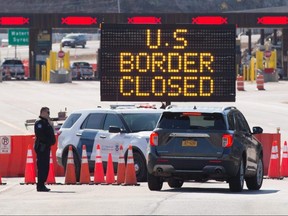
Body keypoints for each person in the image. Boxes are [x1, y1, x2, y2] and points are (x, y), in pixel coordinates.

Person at [34, 107, 56, 192]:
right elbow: (40, 135)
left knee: (45, 166)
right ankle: (40, 185)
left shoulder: (46, 122)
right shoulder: (39, 122)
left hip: (46, 147)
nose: (49, 114)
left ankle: (42, 184)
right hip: (42, 147)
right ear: (43, 112)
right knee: (42, 166)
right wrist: (48, 142)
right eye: (48, 112)